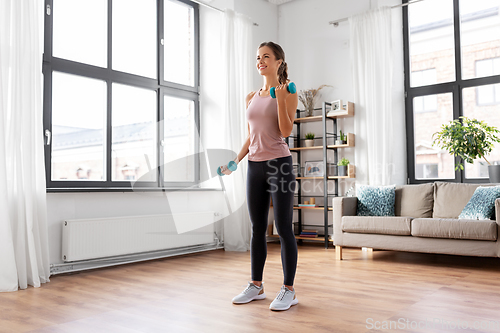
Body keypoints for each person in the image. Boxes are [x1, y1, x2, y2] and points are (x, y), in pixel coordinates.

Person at [219, 41, 299, 311]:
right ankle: (257, 285)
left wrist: (278, 99)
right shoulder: (251, 96)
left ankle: (289, 289)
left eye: (266, 56)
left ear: (278, 61)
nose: (260, 61)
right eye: (258, 57)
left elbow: (286, 131)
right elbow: (251, 135)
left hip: (279, 164)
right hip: (254, 166)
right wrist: (235, 160)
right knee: (256, 229)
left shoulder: (288, 90)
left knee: (284, 228)